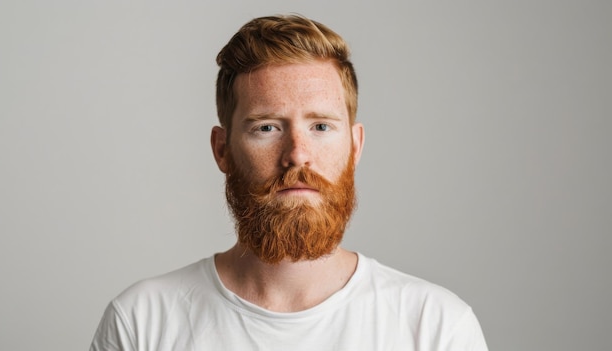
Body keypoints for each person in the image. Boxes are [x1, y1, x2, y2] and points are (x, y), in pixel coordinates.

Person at [89, 14, 488, 350]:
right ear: (222, 149)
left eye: (320, 126)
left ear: (355, 145)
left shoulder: (437, 328)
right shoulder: (141, 323)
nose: (297, 153)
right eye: (266, 127)